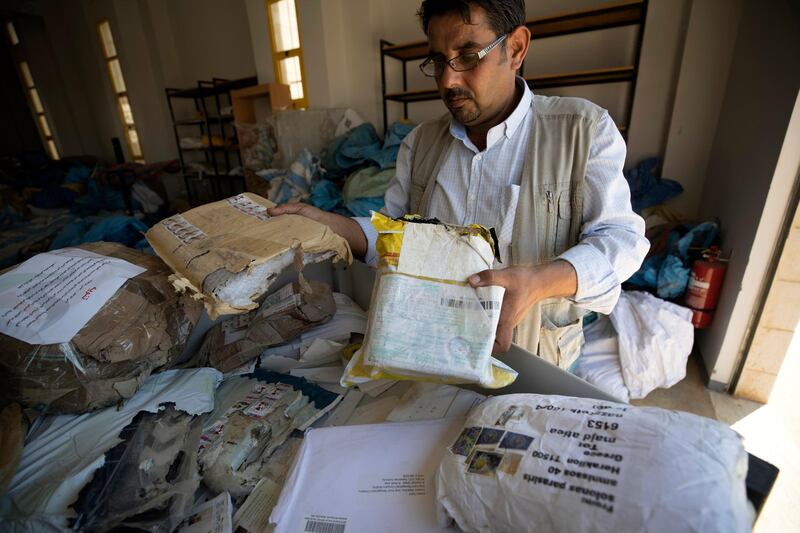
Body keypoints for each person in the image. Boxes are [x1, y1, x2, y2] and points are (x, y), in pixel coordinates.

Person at [268, 0, 648, 369]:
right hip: (433, 346)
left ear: (516, 48)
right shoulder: (419, 144)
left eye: (468, 55)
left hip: (536, 358)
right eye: (437, 60)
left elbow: (620, 240)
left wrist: (540, 280)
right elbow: (395, 233)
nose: (448, 80)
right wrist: (335, 226)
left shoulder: (583, 131)